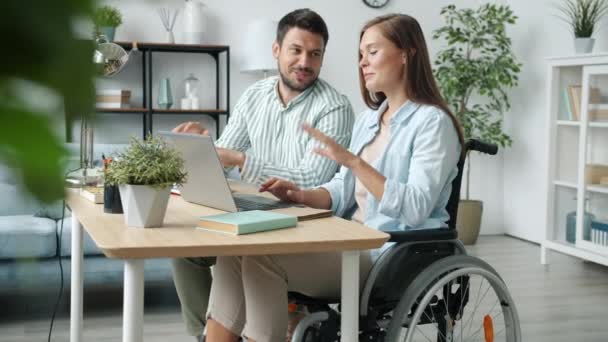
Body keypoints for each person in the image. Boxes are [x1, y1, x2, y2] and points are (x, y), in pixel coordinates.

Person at [204, 13, 465, 342]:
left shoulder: (432, 123)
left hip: (389, 255)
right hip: (349, 242)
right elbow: (342, 191)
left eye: (372, 52)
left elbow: (415, 208)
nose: (362, 63)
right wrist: (300, 194)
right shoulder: (371, 119)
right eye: (360, 55)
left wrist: (355, 162)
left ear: (406, 53)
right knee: (233, 253)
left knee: (262, 256)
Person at [171, 8, 355, 341]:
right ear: (276, 50)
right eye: (296, 50)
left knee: (240, 251)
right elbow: (224, 155)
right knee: (183, 242)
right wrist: (201, 147)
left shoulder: (334, 108)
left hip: (302, 224)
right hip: (255, 211)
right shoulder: (255, 95)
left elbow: (312, 178)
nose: (304, 62)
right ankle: (204, 333)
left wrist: (241, 159)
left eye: (315, 54)